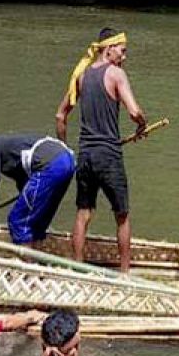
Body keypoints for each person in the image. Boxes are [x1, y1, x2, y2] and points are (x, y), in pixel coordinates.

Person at [54, 29, 147, 272]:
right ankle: (125, 273)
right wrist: (142, 125)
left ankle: (77, 267)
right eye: (122, 51)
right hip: (108, 155)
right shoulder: (116, 74)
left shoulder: (82, 76)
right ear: (109, 48)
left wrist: (66, 150)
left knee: (83, 213)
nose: (124, 57)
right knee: (122, 215)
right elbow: (134, 112)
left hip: (85, 155)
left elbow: (60, 115)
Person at [0, 130, 75, 246]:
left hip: (50, 165)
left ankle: (26, 263)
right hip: (67, 160)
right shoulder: (5, 149)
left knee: (17, 221)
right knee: (36, 222)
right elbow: (24, 183)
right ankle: (38, 252)